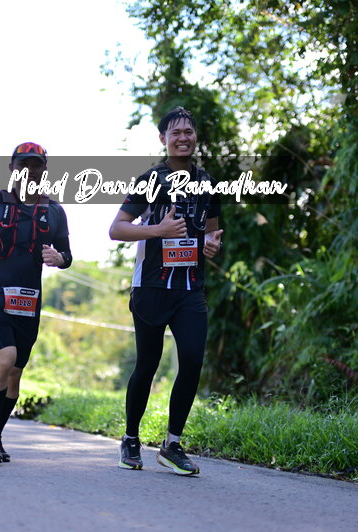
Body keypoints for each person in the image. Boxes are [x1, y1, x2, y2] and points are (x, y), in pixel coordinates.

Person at [109, 107, 223, 475]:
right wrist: (158, 230)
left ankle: (172, 444)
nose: (183, 138)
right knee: (148, 364)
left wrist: (212, 243)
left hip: (190, 288)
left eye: (188, 131)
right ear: (163, 139)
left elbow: (212, 230)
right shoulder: (150, 180)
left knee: (192, 360)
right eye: (175, 133)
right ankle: (130, 438)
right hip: (152, 287)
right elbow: (117, 228)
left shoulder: (208, 183)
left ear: (195, 136)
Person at [0, 141, 72, 463]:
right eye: (23, 164)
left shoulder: (54, 211)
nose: (30, 170)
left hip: (28, 302)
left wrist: (60, 258)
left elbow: (67, 254)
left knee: (14, 375)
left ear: (44, 170)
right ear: (12, 168)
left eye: (37, 165)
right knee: (5, 359)